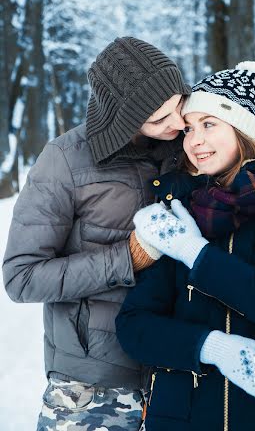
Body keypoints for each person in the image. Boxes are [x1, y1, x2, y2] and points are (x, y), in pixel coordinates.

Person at [116, 61, 255, 431]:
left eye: (208, 124)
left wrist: (193, 253)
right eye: (188, 129)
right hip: (182, 416)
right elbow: (135, 327)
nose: (193, 140)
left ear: (243, 128)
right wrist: (209, 346)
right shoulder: (181, 209)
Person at [2, 37, 192, 430]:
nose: (178, 123)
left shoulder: (190, 148)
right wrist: (127, 258)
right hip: (91, 385)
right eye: (160, 118)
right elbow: (21, 278)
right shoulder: (65, 161)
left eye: (179, 104)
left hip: (179, 375)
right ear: (124, 120)